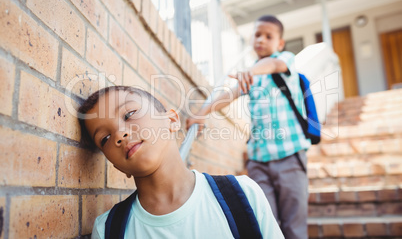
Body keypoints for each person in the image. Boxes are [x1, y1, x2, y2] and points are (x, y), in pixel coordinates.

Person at [77, 85, 283, 238]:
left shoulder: (243, 195)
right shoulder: (108, 230)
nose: (119, 134)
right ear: (116, 165)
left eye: (129, 114)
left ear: (172, 121)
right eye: (104, 139)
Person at [187, 15, 311, 239]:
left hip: (290, 156)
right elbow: (228, 95)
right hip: (259, 161)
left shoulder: (285, 59)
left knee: (294, 226)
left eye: (268, 36)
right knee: (264, 223)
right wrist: (201, 113)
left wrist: (251, 71)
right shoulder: (250, 76)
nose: (261, 40)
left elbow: (273, 64)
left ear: (280, 43)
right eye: (257, 34)